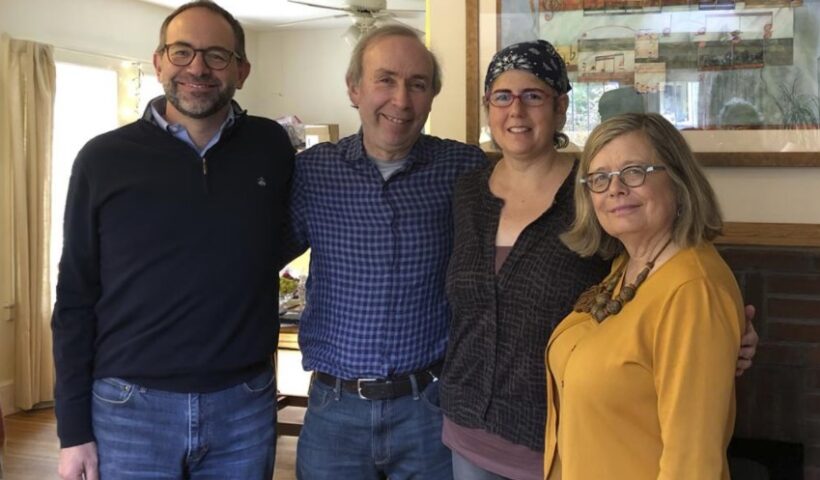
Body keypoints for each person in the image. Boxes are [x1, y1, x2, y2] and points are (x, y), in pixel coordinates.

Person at [440, 41, 758, 480]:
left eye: (533, 95)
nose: (516, 110)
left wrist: (722, 332)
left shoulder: (589, 195)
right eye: (502, 96)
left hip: (554, 438)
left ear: (561, 107)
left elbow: (678, 282)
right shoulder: (466, 191)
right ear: (487, 106)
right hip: (467, 429)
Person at [51, 2, 294, 479]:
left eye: (216, 55)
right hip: (128, 409)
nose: (197, 68)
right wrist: (72, 430)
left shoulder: (271, 146)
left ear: (241, 70)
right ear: (159, 61)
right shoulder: (102, 159)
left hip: (243, 406)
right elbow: (75, 295)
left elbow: (278, 240)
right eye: (182, 52)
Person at [281, 25, 486, 479]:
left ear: (432, 96)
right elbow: (253, 256)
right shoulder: (313, 173)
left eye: (418, 84)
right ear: (354, 89)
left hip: (429, 409)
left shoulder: (463, 168)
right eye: (385, 80)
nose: (401, 100)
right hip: (334, 412)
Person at [545, 112, 745, 479]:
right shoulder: (629, 265)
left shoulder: (692, 291)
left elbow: (692, 463)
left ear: (678, 180)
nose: (616, 189)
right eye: (600, 178)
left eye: (634, 171)